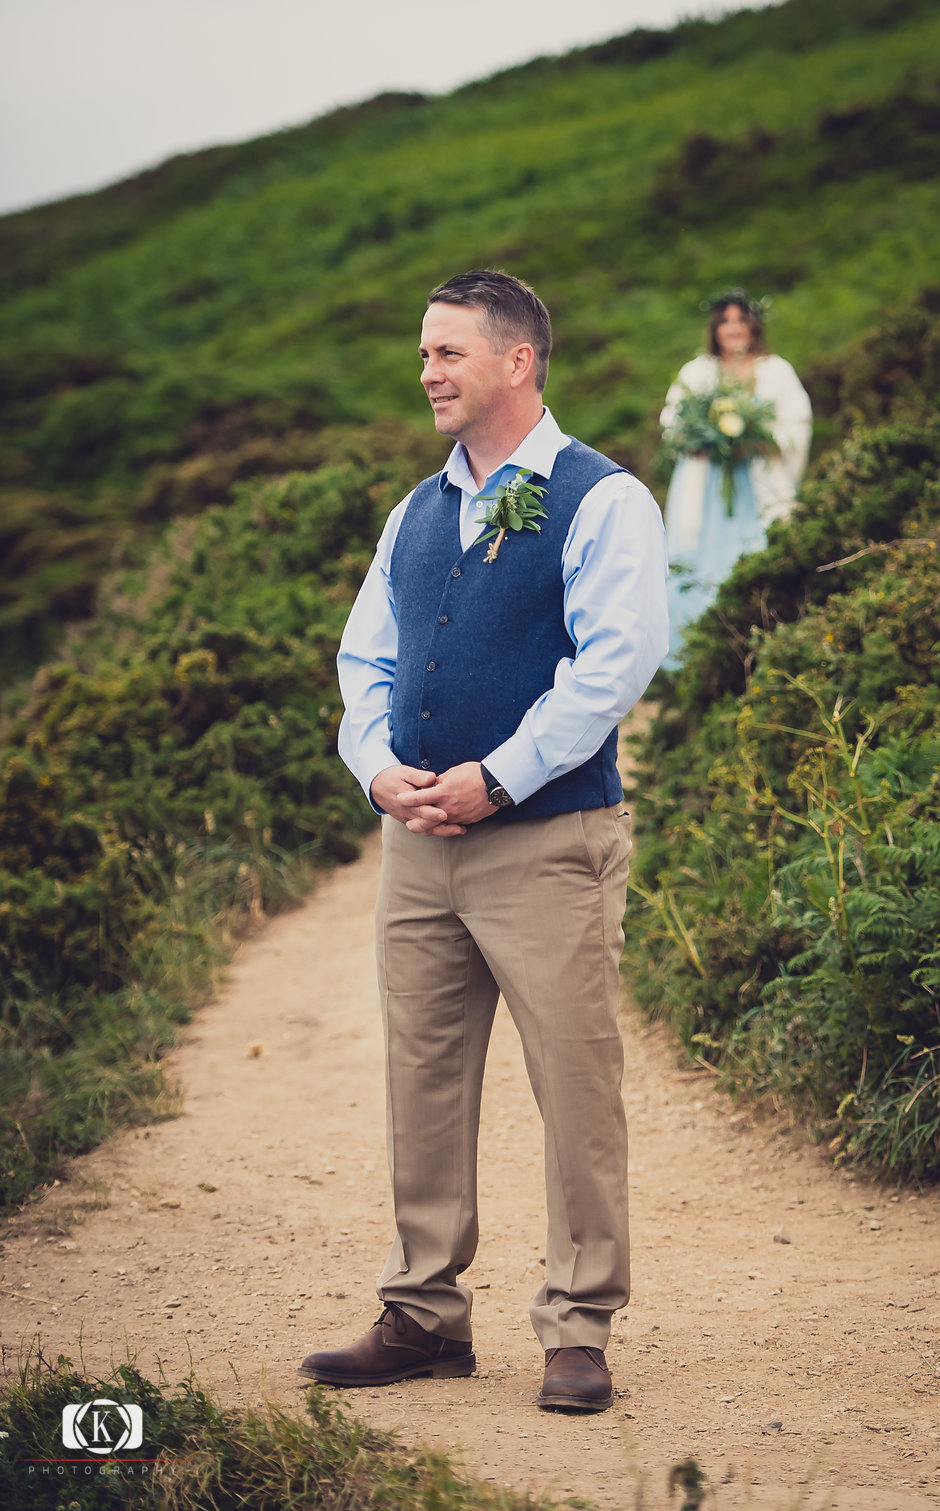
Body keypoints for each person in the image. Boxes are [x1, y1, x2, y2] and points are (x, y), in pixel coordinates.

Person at [298, 270, 668, 1413]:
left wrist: (497, 778)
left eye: (447, 352)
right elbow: (365, 656)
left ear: (518, 361)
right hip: (416, 849)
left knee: (575, 1084)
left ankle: (579, 1325)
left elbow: (614, 666)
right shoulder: (414, 511)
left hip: (548, 843)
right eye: (423, 353)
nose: (427, 372)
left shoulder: (602, 501)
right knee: (420, 1076)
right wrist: (375, 767)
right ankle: (421, 1313)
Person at [660, 289, 812, 665]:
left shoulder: (775, 370)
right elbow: (673, 420)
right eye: (725, 321)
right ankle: (696, 653)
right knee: (698, 558)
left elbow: (797, 420)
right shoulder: (697, 371)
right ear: (715, 328)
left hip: (758, 483)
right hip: (705, 485)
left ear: (753, 325)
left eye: (741, 320)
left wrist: (762, 440)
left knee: (758, 552)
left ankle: (764, 641)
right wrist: (698, 441)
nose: (734, 328)